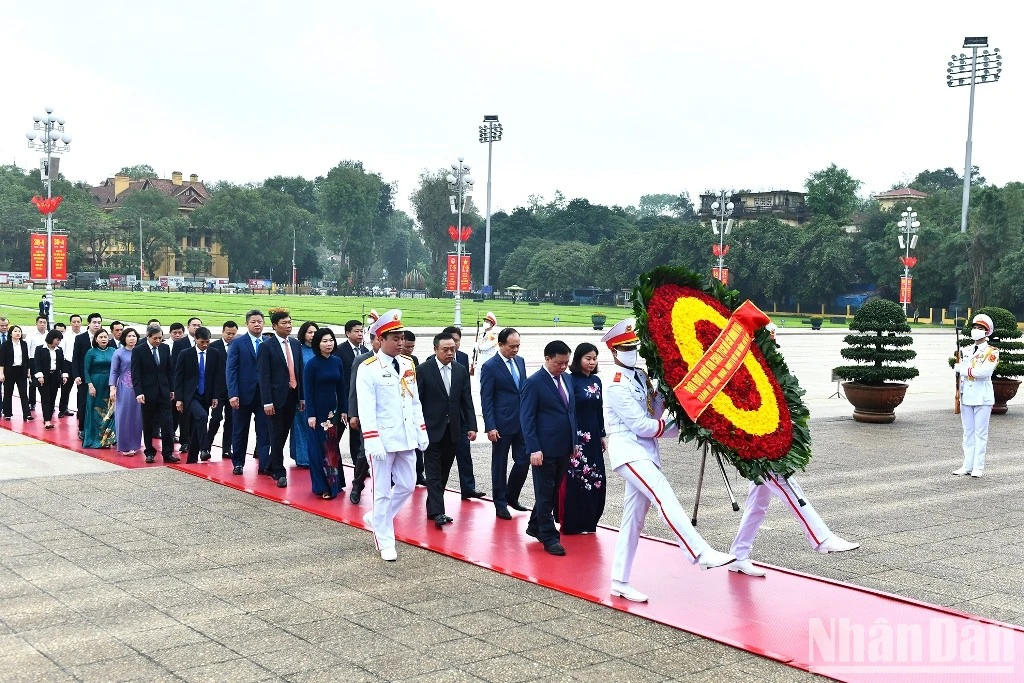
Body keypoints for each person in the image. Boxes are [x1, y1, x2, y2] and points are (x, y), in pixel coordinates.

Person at [601, 319, 735, 603]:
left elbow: (655, 411)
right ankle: (699, 552)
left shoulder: (640, 376)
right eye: (626, 348)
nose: (632, 352)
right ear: (613, 352)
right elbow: (642, 425)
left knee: (633, 520)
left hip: (645, 451)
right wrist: (675, 424)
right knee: (664, 495)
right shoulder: (615, 384)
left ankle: (619, 581)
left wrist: (670, 390)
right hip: (629, 451)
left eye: (634, 347)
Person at [727, 326, 859, 578]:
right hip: (756, 445)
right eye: (768, 336)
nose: (773, 341)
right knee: (787, 484)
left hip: (766, 440)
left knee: (758, 503)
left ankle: (739, 554)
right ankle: (821, 538)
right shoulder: (742, 367)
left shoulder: (762, 363)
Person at [357, 309, 428, 562]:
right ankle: (385, 541)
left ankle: (377, 517)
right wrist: (372, 439)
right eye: (395, 338)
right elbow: (366, 408)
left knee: (408, 485)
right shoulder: (369, 368)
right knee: (382, 492)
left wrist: (421, 430)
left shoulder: (408, 364)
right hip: (383, 439)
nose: (400, 343)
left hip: (406, 436)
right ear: (381, 339)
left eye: (402, 338)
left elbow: (414, 401)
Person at [520, 340, 577, 556]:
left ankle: (535, 525)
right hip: (543, 449)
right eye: (558, 363)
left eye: (566, 363)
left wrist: (574, 442)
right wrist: (533, 448)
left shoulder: (567, 379)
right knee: (544, 493)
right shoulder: (534, 383)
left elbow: (571, 412)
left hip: (564, 446)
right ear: (547, 359)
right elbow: (527, 418)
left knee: (552, 492)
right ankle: (549, 536)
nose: (563, 367)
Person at [418, 331, 478, 528]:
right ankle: (438, 512)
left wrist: (472, 426)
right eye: (445, 350)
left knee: (444, 470)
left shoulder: (460, 370)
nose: (450, 353)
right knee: (433, 472)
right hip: (431, 429)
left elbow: (466, 400)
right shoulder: (424, 370)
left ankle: (432, 507)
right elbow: (417, 402)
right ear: (435, 349)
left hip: (453, 429)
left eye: (453, 349)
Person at [480, 327, 530, 520]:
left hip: (522, 422)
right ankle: (500, 503)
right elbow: (486, 399)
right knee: (500, 464)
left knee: (524, 460)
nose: (515, 350)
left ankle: (512, 495)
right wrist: (490, 426)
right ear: (500, 345)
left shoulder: (521, 361)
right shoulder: (490, 367)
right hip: (501, 424)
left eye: (518, 346)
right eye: (512, 346)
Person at [558, 342, 606, 534]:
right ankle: (572, 522)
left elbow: (599, 410)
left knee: (596, 477)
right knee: (576, 478)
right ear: (578, 359)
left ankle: (590, 521)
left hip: (593, 436)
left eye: (594, 358)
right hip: (577, 437)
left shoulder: (597, 381)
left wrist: (602, 434)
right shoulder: (569, 380)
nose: (592, 362)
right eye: (588, 358)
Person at [258, 308, 305, 488]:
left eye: (290, 322)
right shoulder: (266, 346)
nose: (288, 326)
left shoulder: (295, 344)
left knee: (283, 434)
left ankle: (270, 465)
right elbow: (264, 376)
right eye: (284, 323)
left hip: (292, 395)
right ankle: (279, 471)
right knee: (276, 434)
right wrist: (267, 401)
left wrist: (301, 397)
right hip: (275, 399)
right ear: (274, 326)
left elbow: (299, 371)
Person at [953, 313, 1000, 478]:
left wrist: (963, 370)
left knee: (980, 433)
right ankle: (967, 465)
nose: (976, 330)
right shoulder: (966, 350)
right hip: (966, 395)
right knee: (968, 432)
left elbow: (984, 372)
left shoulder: (992, 352)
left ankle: (978, 467)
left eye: (980, 328)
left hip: (982, 397)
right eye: (974, 327)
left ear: (987, 332)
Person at [304, 328, 348, 499]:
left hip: (333, 412)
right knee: (318, 450)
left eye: (331, 340)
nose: (329, 344)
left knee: (332, 448)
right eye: (324, 341)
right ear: (318, 344)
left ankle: (335, 484)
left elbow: (341, 387)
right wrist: (311, 414)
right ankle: (323, 486)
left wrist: (344, 409)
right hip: (317, 412)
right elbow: (308, 391)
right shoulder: (312, 364)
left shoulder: (337, 361)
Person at [443, 325, 485, 500]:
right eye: (452, 341)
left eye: (458, 341)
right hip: (442, 420)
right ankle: (437, 492)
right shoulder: (432, 362)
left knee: (464, 453)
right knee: (442, 460)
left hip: (460, 418)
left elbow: (466, 395)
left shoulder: (463, 358)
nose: (455, 345)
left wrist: (472, 424)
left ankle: (468, 488)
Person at [227, 310, 271, 476]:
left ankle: (264, 464)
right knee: (240, 430)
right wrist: (233, 393)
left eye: (259, 321)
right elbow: (231, 369)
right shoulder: (238, 343)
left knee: (264, 431)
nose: (257, 324)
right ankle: (238, 463)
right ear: (247, 324)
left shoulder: (268, 342)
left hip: (264, 395)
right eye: (253, 322)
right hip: (243, 394)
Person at [175, 326, 223, 464]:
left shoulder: (214, 353)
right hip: (190, 395)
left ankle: (192, 459)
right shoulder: (185, 354)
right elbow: (178, 377)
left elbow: (217, 376)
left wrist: (215, 396)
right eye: (202, 342)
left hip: (206, 395)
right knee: (202, 417)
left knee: (196, 426)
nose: (205, 345)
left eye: (207, 342)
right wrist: (179, 399)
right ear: (196, 339)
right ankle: (204, 448)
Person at [132, 326, 179, 464]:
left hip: (164, 392)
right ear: (148, 337)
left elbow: (169, 370)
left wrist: (172, 388)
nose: (158, 341)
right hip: (147, 393)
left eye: (160, 338)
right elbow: (136, 374)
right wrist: (139, 392)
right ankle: (149, 452)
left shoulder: (165, 348)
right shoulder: (139, 350)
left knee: (167, 423)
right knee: (148, 424)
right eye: (155, 338)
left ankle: (168, 453)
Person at [346, 327, 380, 504]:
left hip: (388, 416)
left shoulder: (398, 360)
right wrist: (353, 414)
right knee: (364, 451)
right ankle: (357, 485)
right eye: (379, 339)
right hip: (367, 414)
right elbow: (354, 389)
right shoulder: (362, 360)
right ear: (372, 341)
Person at [333, 319, 368, 475]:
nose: (360, 334)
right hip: (342, 399)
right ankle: (332, 467)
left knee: (357, 438)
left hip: (359, 401)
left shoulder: (366, 351)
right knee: (335, 436)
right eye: (356, 331)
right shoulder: (339, 351)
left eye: (362, 331)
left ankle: (359, 469)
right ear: (348, 333)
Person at [109, 328, 143, 456]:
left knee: (137, 416)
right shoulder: (118, 353)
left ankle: (135, 444)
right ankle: (124, 445)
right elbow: (114, 372)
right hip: (124, 387)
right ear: (124, 338)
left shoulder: (141, 352)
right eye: (129, 336)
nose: (132, 338)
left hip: (139, 388)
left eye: (134, 336)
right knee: (123, 415)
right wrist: (112, 388)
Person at [289, 321, 318, 470]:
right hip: (303, 394)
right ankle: (303, 458)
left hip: (319, 394)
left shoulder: (321, 349)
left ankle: (316, 456)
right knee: (301, 426)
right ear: (303, 334)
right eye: (309, 332)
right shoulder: (298, 350)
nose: (313, 335)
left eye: (315, 332)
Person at [207, 321, 237, 460]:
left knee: (231, 420)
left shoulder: (237, 346)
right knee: (216, 418)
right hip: (218, 391)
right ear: (222, 332)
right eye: (228, 333)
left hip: (232, 390)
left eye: (233, 334)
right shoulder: (214, 347)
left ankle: (226, 448)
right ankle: (206, 446)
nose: (230, 336)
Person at [82, 330, 116, 449]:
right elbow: (86, 370)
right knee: (95, 411)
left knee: (109, 411)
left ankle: (107, 439)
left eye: (105, 337)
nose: (103, 339)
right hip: (95, 383)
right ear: (96, 339)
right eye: (101, 337)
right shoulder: (91, 352)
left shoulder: (114, 351)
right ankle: (93, 439)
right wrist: (90, 385)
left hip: (110, 383)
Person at [73, 314, 103, 439]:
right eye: (94, 322)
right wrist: (76, 375)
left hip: (100, 377)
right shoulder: (81, 338)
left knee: (100, 403)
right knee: (84, 403)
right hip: (84, 377)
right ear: (89, 323)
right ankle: (82, 429)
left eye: (99, 322)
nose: (96, 325)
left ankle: (99, 429)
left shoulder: (104, 337)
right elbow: (76, 358)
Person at [32, 330, 67, 430]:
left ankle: (48, 418)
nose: (58, 342)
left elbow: (62, 364)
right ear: (51, 338)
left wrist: (64, 375)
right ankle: (47, 420)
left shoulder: (59, 350)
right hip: (44, 377)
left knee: (52, 398)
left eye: (59, 340)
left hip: (55, 377)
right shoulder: (40, 349)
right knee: (46, 398)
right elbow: (37, 363)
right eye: (57, 339)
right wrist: (39, 375)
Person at [0, 325, 32, 421]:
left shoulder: (24, 344)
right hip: (9, 371)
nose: (18, 333)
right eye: (15, 331)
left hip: (21, 370)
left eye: (19, 331)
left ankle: (27, 414)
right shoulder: (6, 344)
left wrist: (28, 371)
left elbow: (26, 358)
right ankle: (7, 413)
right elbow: (2, 360)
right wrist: (1, 373)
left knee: (23, 393)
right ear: (10, 333)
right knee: (8, 392)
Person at [25, 315, 49, 413]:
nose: (42, 324)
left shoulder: (48, 334)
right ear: (36, 323)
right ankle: (32, 402)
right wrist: (27, 365)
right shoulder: (31, 335)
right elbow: (26, 350)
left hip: (46, 361)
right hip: (33, 360)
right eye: (40, 322)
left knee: (46, 383)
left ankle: (47, 403)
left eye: (44, 322)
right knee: (33, 383)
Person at [55, 319, 76, 417]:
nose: (76, 324)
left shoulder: (84, 335)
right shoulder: (66, 336)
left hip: (80, 364)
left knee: (81, 389)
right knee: (65, 389)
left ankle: (81, 411)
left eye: (78, 322)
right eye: (74, 322)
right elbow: (61, 350)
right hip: (68, 363)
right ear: (70, 323)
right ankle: (63, 409)